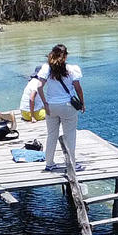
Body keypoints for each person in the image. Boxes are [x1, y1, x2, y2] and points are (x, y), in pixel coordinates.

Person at [34, 44, 84, 178]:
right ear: (66, 55)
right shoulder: (72, 69)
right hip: (67, 106)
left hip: (51, 106)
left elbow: (39, 87)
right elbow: (78, 88)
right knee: (70, 135)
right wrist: (82, 103)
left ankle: (49, 163)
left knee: (51, 135)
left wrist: (45, 103)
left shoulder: (46, 68)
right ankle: (71, 164)